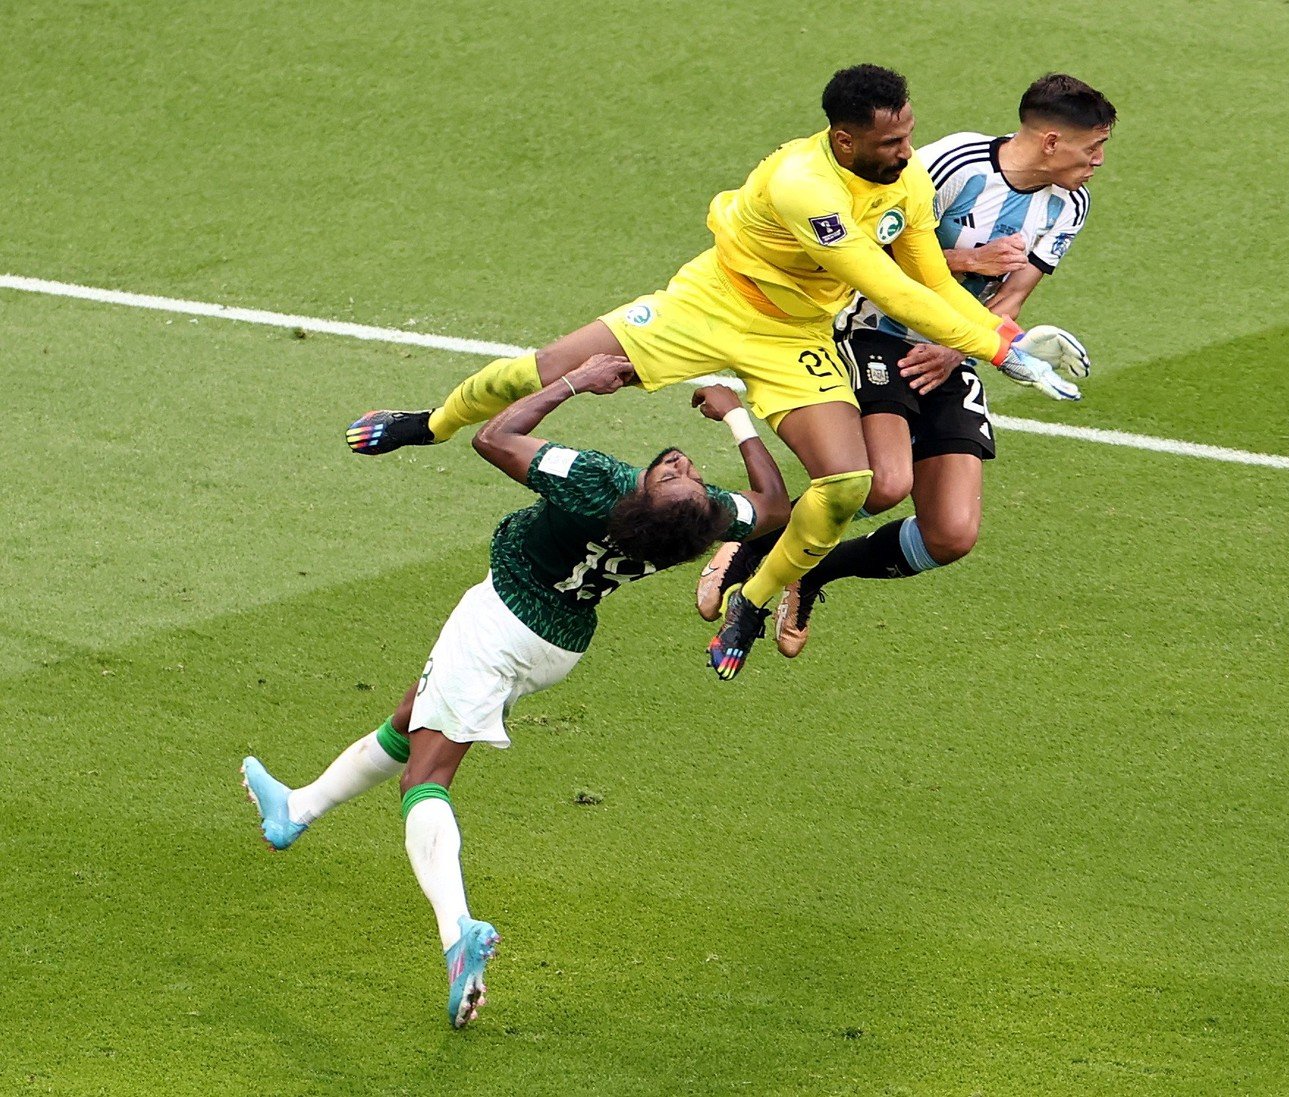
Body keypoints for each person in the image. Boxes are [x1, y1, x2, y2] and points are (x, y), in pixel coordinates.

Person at [343, 64, 1084, 681]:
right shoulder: (804, 184)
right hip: (711, 302)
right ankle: (429, 423)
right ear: (843, 137)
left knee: (849, 483)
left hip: (792, 334)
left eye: (908, 133)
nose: (905, 150)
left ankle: (754, 599)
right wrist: (1001, 351)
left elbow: (926, 279)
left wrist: (997, 332)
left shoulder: (905, 181)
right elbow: (885, 288)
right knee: (542, 371)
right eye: (891, 141)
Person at [242, 354, 789, 1028]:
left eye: (680, 478)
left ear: (643, 500)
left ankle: (456, 933)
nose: (683, 466)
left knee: (426, 777)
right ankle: (296, 809)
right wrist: (735, 411)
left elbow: (492, 437)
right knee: (416, 713)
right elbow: (774, 505)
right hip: (557, 644)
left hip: (500, 623)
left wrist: (571, 383)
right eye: (686, 475)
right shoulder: (700, 524)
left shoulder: (598, 485)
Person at [698, 73, 1115, 656]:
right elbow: (866, 253)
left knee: (951, 535)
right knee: (884, 483)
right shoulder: (953, 165)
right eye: (1092, 146)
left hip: (952, 350)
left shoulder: (1071, 204)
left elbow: (1013, 296)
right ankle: (750, 545)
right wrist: (968, 258)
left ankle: (813, 572)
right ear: (1050, 141)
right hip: (875, 330)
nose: (1098, 160)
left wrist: (961, 348)